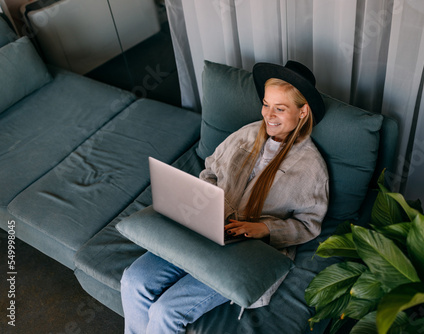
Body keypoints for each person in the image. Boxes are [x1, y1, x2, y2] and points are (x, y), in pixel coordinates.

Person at [120, 60, 329, 334]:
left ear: (303, 112)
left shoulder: (311, 167)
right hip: (203, 228)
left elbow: (308, 225)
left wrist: (264, 229)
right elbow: (210, 170)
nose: (269, 114)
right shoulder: (248, 133)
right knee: (133, 279)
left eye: (280, 108)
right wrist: (205, 202)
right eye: (266, 104)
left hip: (244, 251)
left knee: (166, 311)